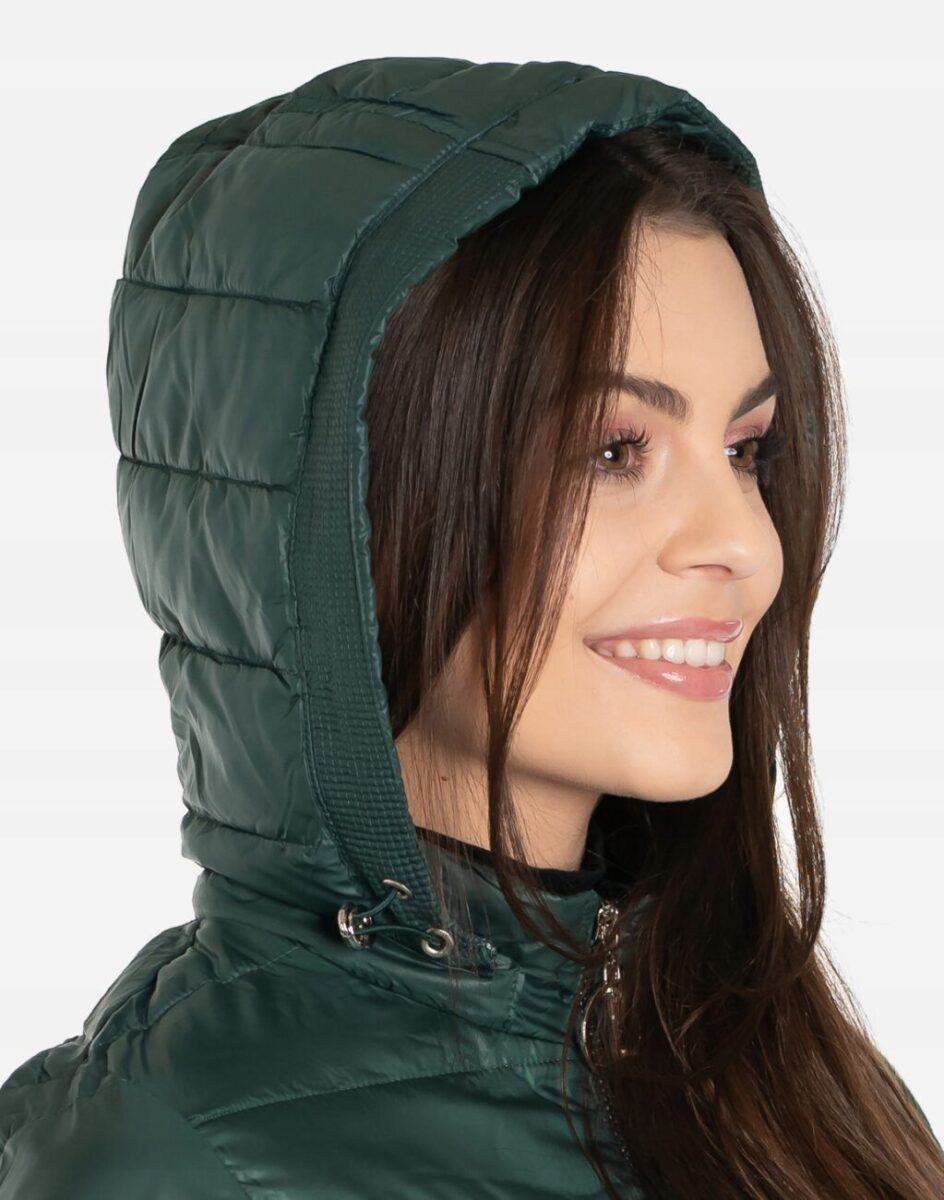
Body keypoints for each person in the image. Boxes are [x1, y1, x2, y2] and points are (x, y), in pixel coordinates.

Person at [0, 55, 941, 1199]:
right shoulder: (166, 1162)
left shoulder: (771, 1073)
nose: (742, 542)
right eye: (613, 451)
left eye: (745, 451)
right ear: (341, 505)